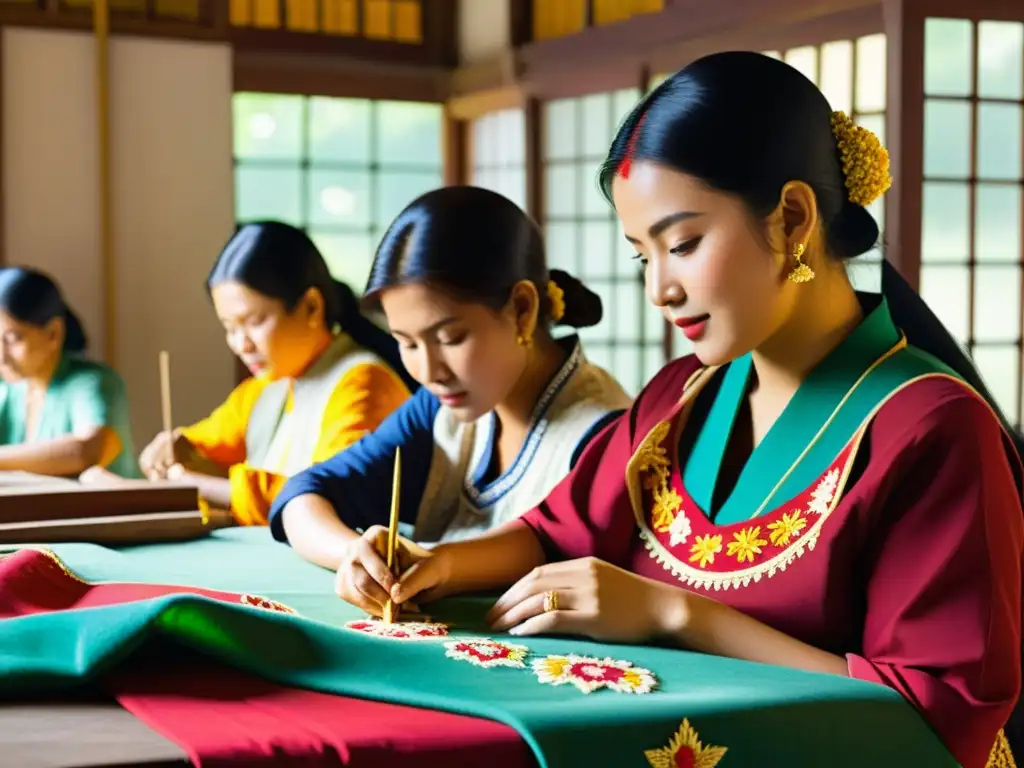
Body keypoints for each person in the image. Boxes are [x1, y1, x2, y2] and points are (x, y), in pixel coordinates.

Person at [330, 54, 1024, 768]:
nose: (660, 289)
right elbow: (556, 531)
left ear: (791, 219)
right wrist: (434, 564)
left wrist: (674, 614)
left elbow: (936, 718)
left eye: (683, 244)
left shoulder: (934, 428)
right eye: (642, 257)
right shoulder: (680, 396)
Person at [268, 186, 632, 573]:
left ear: (522, 311)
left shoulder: (603, 435)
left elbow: (567, 556)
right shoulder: (437, 408)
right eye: (406, 343)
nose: (429, 372)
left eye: (450, 338)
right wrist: (353, 558)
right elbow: (304, 494)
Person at [128, 222, 414, 525]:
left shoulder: (363, 385)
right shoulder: (266, 386)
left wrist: (194, 482)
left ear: (312, 307)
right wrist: (177, 444)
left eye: (255, 322)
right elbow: (208, 441)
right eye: (229, 328)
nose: (241, 344)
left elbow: (329, 497)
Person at [0, 267, 139, 478]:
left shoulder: (93, 383)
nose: (2, 356)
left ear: (53, 333)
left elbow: (86, 451)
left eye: (12, 339)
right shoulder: (10, 391)